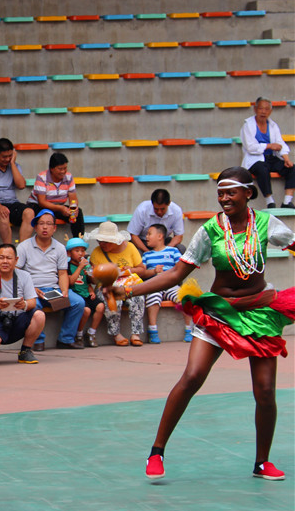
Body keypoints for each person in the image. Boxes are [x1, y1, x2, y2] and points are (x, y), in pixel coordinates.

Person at [111, 167, 295, 482]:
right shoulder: (210, 231)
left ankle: (261, 462)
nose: (223, 199)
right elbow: (174, 275)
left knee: (265, 392)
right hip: (219, 313)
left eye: (230, 193)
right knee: (193, 376)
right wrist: (129, 289)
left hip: (258, 313)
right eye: (220, 193)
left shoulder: (266, 223)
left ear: (248, 193)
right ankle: (157, 451)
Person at [16, 209, 86, 350]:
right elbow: (16, 272)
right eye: (41, 224)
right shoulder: (24, 246)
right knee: (33, 305)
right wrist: (30, 289)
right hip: (33, 289)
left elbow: (62, 274)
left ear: (54, 228)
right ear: (35, 227)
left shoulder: (59, 248)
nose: (45, 227)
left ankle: (65, 339)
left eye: (49, 224)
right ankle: (37, 340)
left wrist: (65, 290)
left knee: (78, 302)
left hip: (53, 289)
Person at [0, 243, 46, 365]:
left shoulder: (25, 276)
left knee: (39, 315)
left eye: (9, 258)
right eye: (1, 257)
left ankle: (25, 351)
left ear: (16, 260)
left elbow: (32, 302)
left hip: (17, 319)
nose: (5, 261)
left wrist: (24, 304)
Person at [88, 221, 147, 346]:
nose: (102, 244)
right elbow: (93, 279)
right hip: (107, 286)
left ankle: (136, 333)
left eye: (106, 242)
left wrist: (129, 270)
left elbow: (142, 269)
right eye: (100, 241)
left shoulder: (130, 247)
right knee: (111, 297)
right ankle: (116, 334)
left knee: (138, 297)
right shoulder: (97, 252)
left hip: (128, 283)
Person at [140, 224, 193, 343]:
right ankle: (152, 330)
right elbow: (142, 273)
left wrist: (169, 274)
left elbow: (181, 268)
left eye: (149, 234)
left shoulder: (173, 251)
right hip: (154, 285)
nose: (146, 237)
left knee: (185, 298)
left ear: (160, 236)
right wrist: (153, 272)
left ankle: (189, 329)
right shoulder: (146, 255)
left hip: (171, 285)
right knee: (153, 298)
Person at [240, 97, 293, 208]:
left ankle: (287, 201)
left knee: (292, 168)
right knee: (262, 169)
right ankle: (270, 201)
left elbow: (280, 143)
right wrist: (269, 146)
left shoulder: (273, 125)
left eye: (266, 109)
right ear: (255, 109)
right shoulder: (248, 125)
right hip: (254, 159)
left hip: (270, 157)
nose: (263, 112)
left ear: (270, 111)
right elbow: (250, 147)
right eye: (261, 109)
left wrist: (286, 159)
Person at [0, 137, 34, 244]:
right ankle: (8, 249)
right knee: (3, 214)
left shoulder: (14, 166)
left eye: (10, 156)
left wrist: (13, 164)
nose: (7, 159)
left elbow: (21, 185)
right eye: (4, 157)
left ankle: (23, 250)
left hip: (12, 203)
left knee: (30, 213)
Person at [28, 152, 83, 238]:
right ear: (52, 169)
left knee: (78, 213)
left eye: (65, 168)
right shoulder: (42, 177)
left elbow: (73, 198)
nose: (63, 171)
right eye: (60, 169)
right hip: (38, 206)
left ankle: (78, 243)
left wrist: (73, 208)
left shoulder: (68, 177)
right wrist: (61, 208)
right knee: (47, 214)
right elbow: (42, 202)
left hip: (57, 206)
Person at [65, 238, 105, 348]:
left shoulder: (85, 266)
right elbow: (70, 282)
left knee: (101, 306)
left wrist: (92, 275)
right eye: (77, 251)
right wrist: (80, 267)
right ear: (69, 253)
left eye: (82, 251)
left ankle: (91, 332)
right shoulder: (67, 266)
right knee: (86, 310)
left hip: (86, 293)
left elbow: (90, 282)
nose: (80, 253)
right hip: (76, 295)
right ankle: (78, 334)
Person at [128, 189, 184, 253]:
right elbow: (134, 235)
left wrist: (166, 250)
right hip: (143, 242)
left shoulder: (176, 210)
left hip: (163, 242)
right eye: (156, 209)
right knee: (136, 252)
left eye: (162, 209)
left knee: (181, 249)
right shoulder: (142, 210)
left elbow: (178, 236)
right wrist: (148, 252)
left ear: (168, 203)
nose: (159, 212)